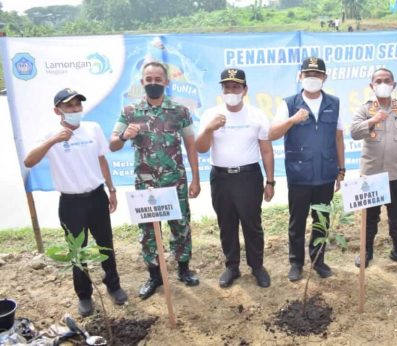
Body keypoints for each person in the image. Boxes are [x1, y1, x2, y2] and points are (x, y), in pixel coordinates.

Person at [24, 88, 128, 316]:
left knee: (105, 244)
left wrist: (111, 190)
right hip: (71, 203)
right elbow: (29, 160)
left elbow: (102, 160)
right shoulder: (49, 133)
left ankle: (114, 286)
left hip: (97, 196)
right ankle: (84, 295)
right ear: (57, 110)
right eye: (69, 106)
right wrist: (53, 140)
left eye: (77, 105)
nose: (74, 109)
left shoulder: (93, 128)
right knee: (77, 251)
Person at [109, 61, 201, 300]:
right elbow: (113, 144)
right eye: (148, 80)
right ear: (142, 82)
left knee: (180, 227)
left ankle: (183, 269)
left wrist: (195, 179)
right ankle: (155, 276)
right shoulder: (130, 112)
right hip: (146, 184)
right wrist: (123, 135)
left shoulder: (180, 111)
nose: (153, 84)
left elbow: (191, 144)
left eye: (157, 80)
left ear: (166, 83)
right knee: (149, 232)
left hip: (175, 182)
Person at [196, 68, 274, 288]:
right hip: (221, 178)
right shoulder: (211, 114)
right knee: (226, 224)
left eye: (236, 87)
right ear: (221, 90)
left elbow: (266, 150)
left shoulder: (257, 115)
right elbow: (201, 148)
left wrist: (270, 181)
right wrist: (209, 129)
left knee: (252, 224)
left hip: (248, 176)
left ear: (245, 90)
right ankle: (232, 266)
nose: (231, 91)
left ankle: (257, 266)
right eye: (227, 87)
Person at [269, 57, 345, 281]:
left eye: (317, 75)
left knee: (322, 219)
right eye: (308, 74)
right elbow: (272, 134)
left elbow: (339, 137)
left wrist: (341, 170)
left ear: (324, 78)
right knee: (297, 220)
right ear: (300, 76)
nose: (312, 78)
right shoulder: (289, 103)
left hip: (325, 174)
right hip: (299, 175)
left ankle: (318, 260)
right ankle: (296, 263)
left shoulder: (334, 103)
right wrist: (292, 120)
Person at [350, 68, 397, 268]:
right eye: (378, 81)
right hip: (371, 174)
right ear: (371, 86)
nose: (383, 84)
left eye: (387, 80)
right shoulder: (364, 110)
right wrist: (373, 120)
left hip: (395, 173)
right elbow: (354, 133)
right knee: (369, 217)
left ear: (394, 84)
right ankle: (366, 252)